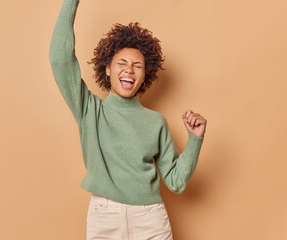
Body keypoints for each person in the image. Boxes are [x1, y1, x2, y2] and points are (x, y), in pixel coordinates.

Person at [49, 0, 207, 239]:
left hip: (150, 218)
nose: (129, 70)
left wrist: (195, 139)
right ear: (108, 69)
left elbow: (176, 181)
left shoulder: (156, 122)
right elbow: (60, 61)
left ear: (145, 76)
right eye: (121, 63)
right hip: (105, 217)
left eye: (137, 66)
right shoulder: (89, 109)